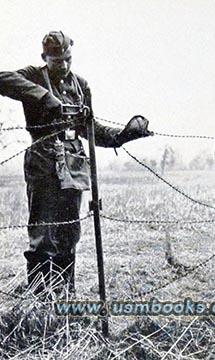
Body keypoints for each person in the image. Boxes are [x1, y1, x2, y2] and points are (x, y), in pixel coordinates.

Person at [0, 31, 153, 296]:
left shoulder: (81, 85)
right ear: (44, 57)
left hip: (73, 163)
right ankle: (39, 302)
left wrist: (123, 136)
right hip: (43, 162)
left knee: (69, 233)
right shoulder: (35, 75)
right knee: (44, 236)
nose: (64, 65)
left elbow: (90, 129)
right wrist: (43, 97)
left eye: (68, 59)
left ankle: (64, 296)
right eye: (57, 60)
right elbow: (2, 79)